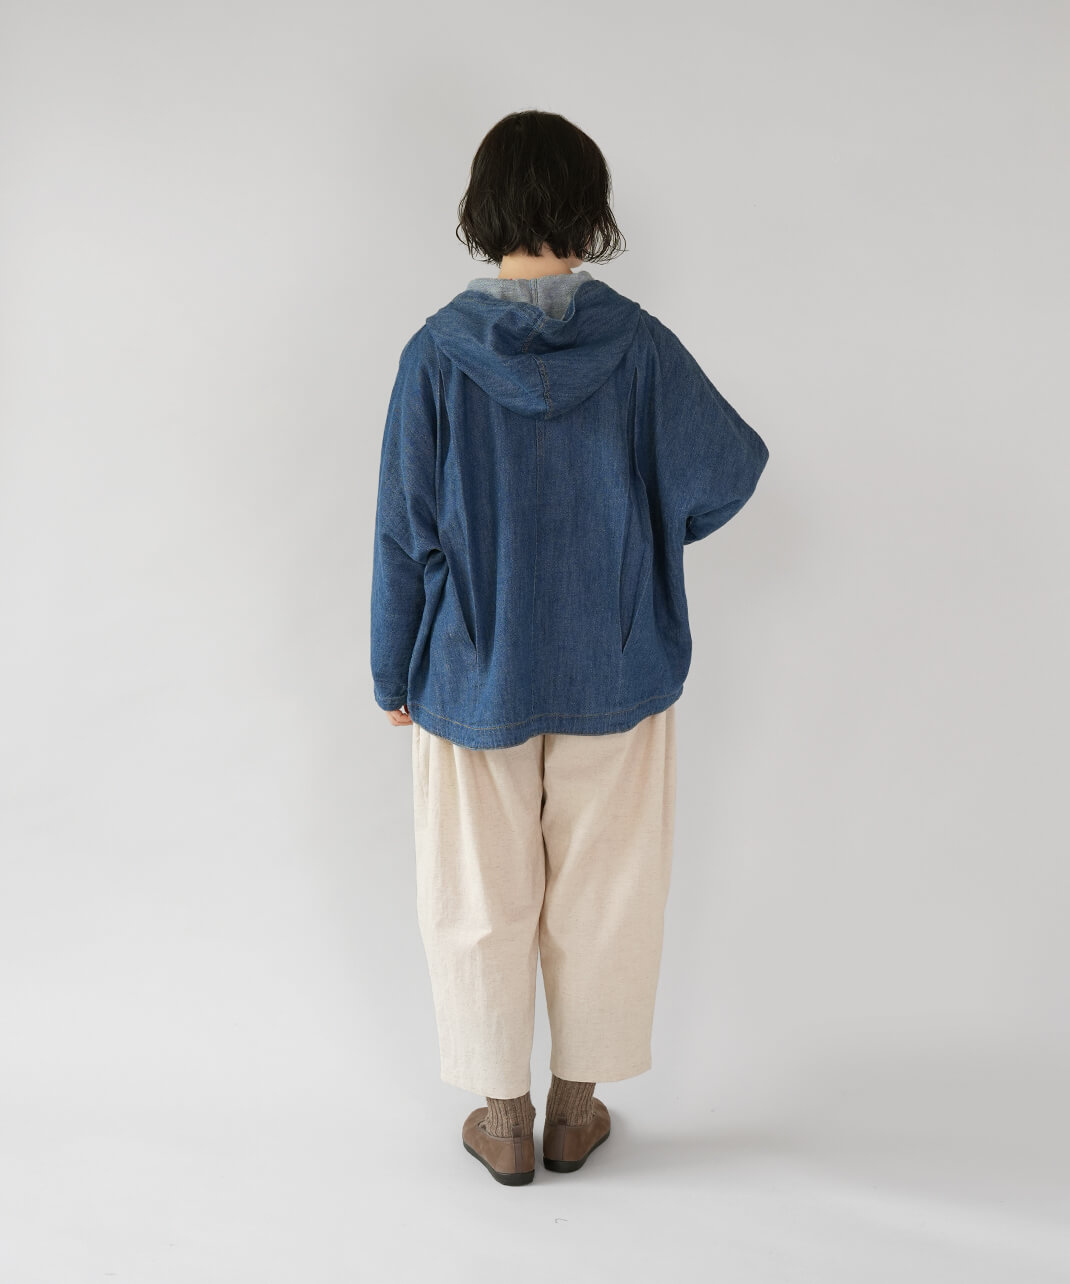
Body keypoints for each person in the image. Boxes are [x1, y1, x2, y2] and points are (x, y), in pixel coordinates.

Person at [370, 109, 770, 1185]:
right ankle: (574, 1110)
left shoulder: (434, 354)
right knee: (608, 893)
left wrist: (391, 668)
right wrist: (640, 531)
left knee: (476, 897)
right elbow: (726, 472)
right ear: (590, 213)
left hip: (471, 672)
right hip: (616, 664)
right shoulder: (640, 347)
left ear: (482, 209)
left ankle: (501, 1121)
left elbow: (404, 530)